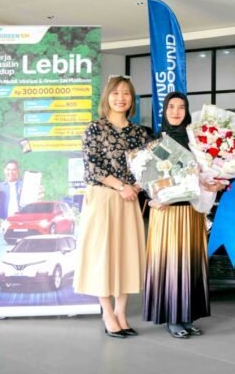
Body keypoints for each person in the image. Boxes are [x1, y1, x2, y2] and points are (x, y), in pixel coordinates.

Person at [144, 92, 226, 339]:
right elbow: (145, 176)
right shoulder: (155, 141)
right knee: (170, 264)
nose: (176, 112)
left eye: (181, 107)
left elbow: (203, 175)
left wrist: (216, 183)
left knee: (190, 263)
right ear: (164, 110)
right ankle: (172, 318)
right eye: (171, 107)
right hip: (166, 212)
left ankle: (187, 316)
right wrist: (150, 198)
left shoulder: (196, 142)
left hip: (191, 210)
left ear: (187, 111)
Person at [74, 75, 149, 339]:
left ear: (132, 99)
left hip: (129, 200)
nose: (121, 98)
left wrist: (136, 186)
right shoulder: (95, 129)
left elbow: (147, 167)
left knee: (126, 254)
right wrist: (121, 186)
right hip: (103, 198)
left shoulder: (139, 133)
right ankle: (107, 313)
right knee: (103, 255)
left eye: (126, 93)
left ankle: (121, 312)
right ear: (107, 96)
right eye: (116, 93)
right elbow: (92, 168)